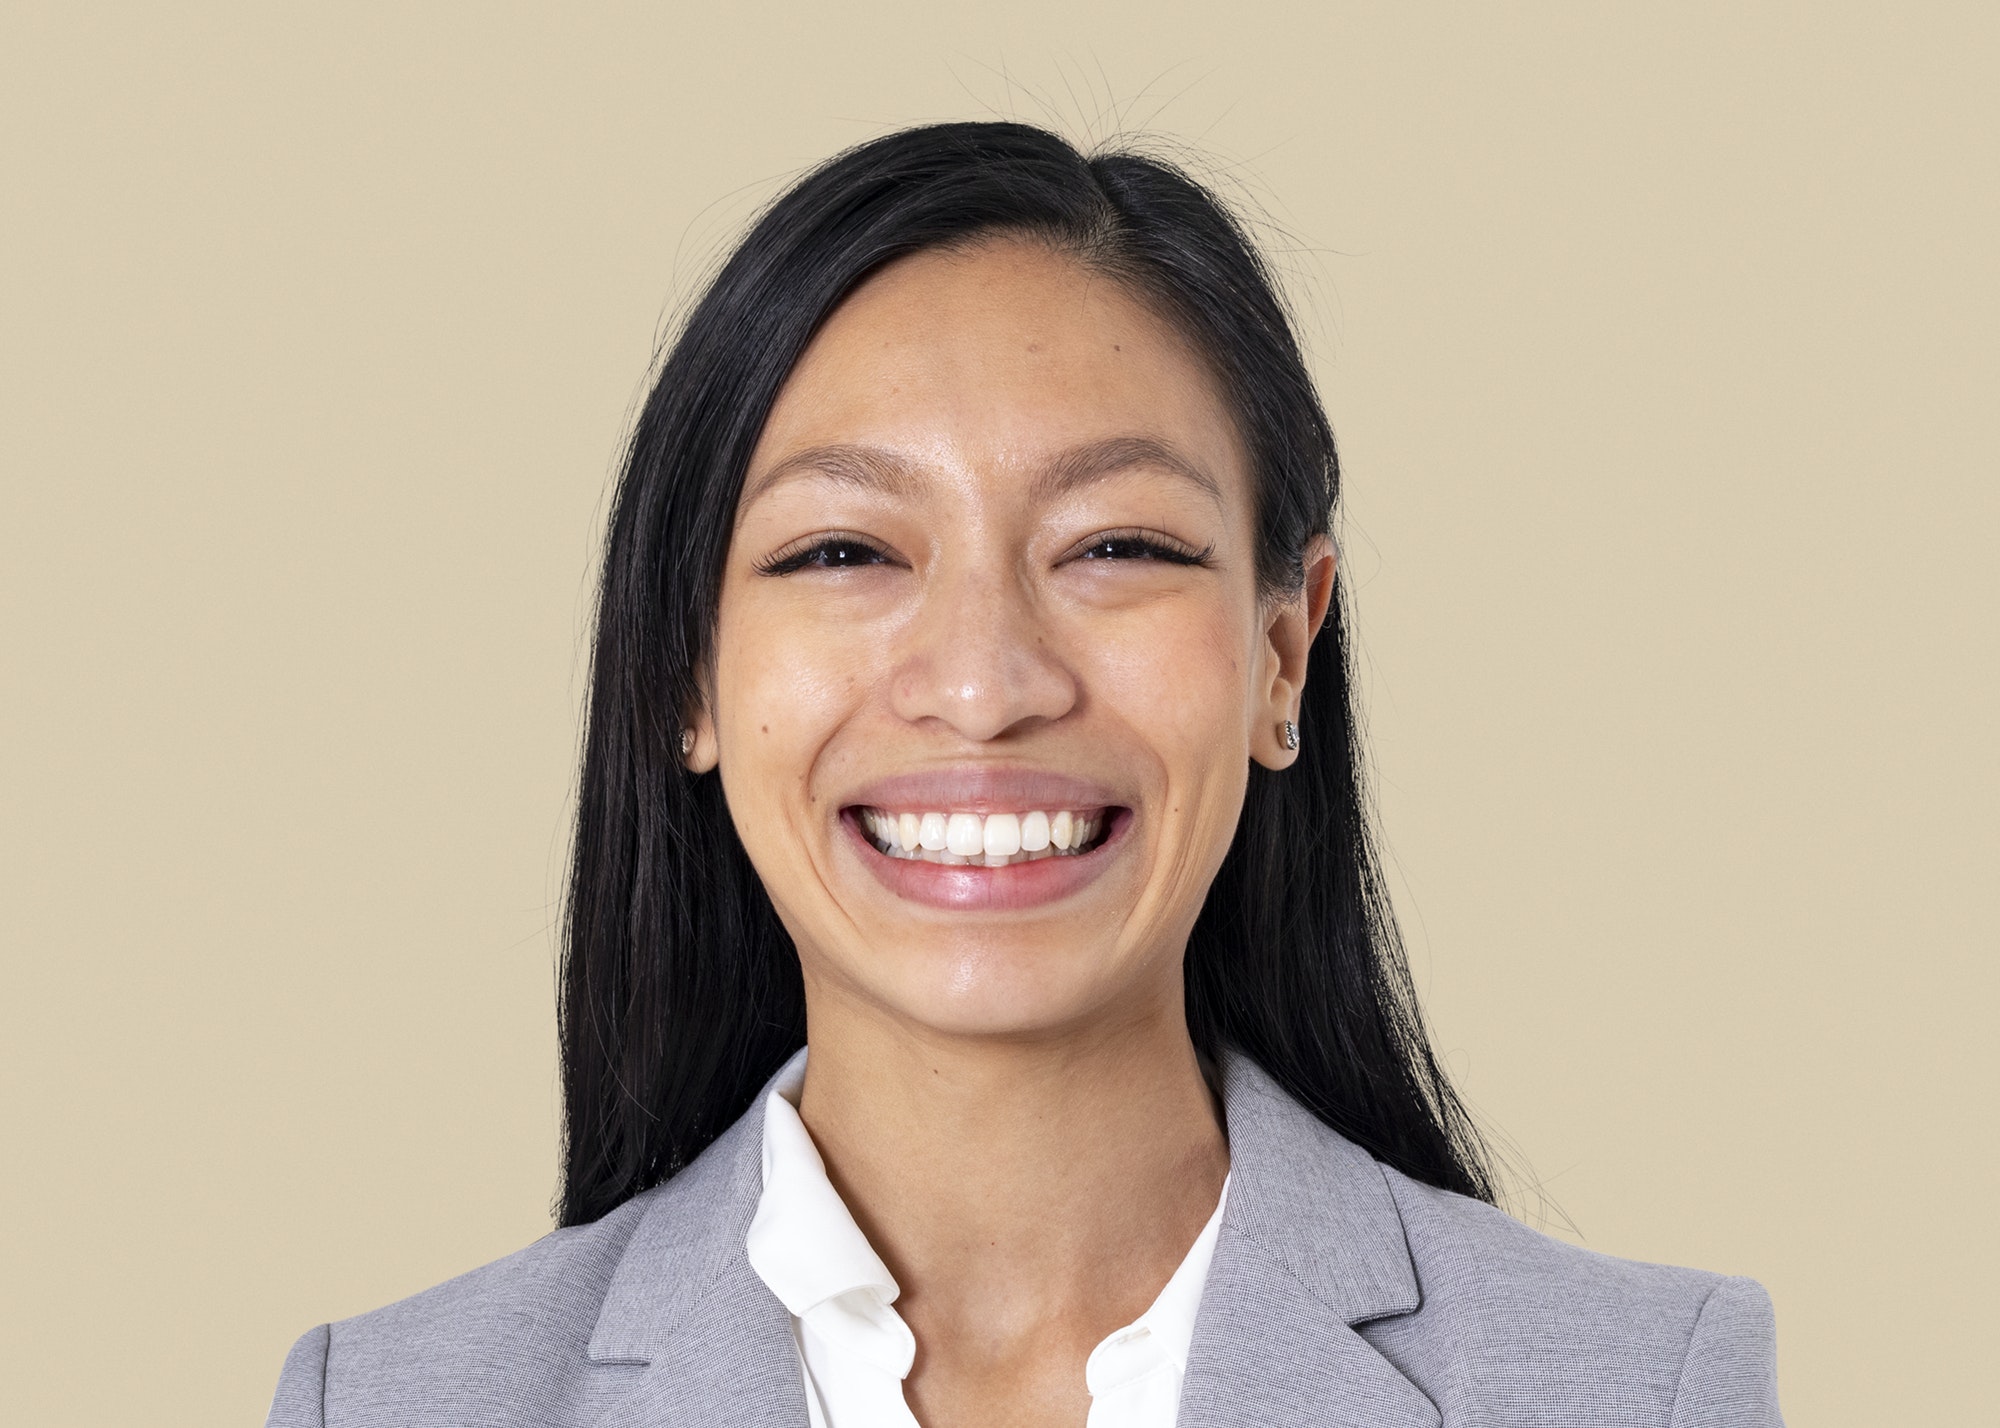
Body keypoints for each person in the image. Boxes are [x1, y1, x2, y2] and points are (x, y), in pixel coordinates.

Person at [265, 121, 1782, 1427]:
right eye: (844, 550)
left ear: (1280, 655)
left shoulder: (1638, 1388)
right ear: (686, 673)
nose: (985, 685)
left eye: (1116, 546)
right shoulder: (395, 1400)